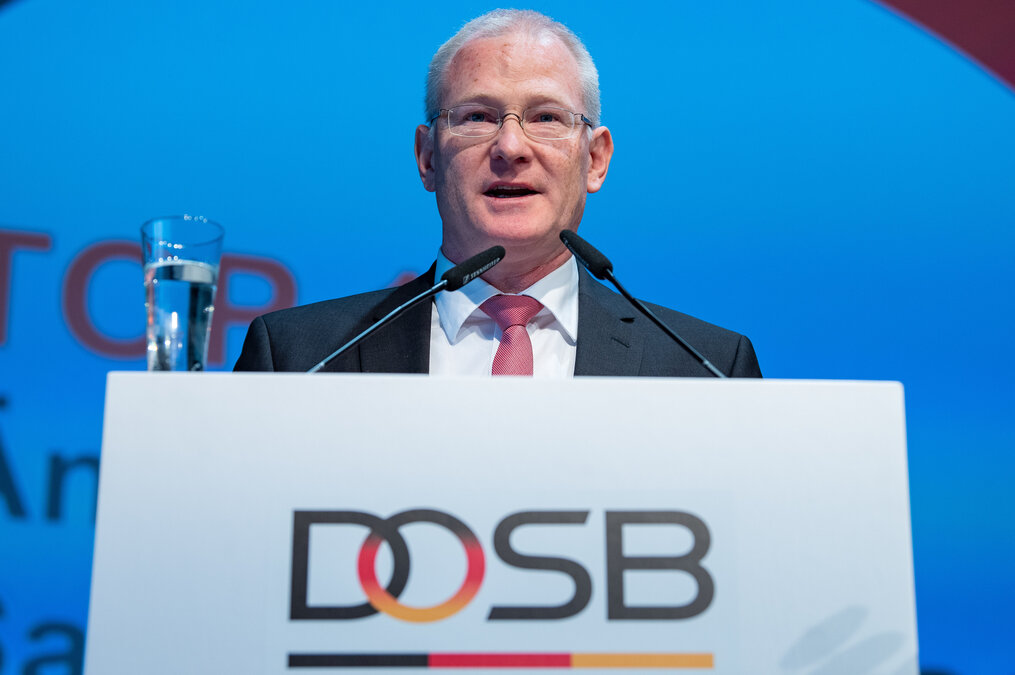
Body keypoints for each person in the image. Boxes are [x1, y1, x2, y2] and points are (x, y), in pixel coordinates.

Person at [234, 9, 761, 378]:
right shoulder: (299, 358)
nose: (510, 146)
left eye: (547, 117)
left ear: (596, 159)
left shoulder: (706, 367)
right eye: (478, 117)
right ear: (427, 157)